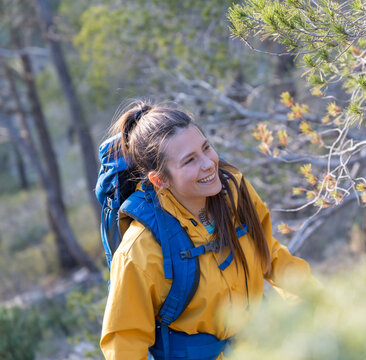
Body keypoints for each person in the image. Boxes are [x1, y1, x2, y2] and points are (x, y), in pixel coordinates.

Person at [100, 101, 316, 360]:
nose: (208, 164)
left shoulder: (235, 193)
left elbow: (270, 255)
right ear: (160, 179)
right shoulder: (140, 249)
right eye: (190, 161)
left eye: (206, 148)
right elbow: (125, 342)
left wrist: (321, 306)